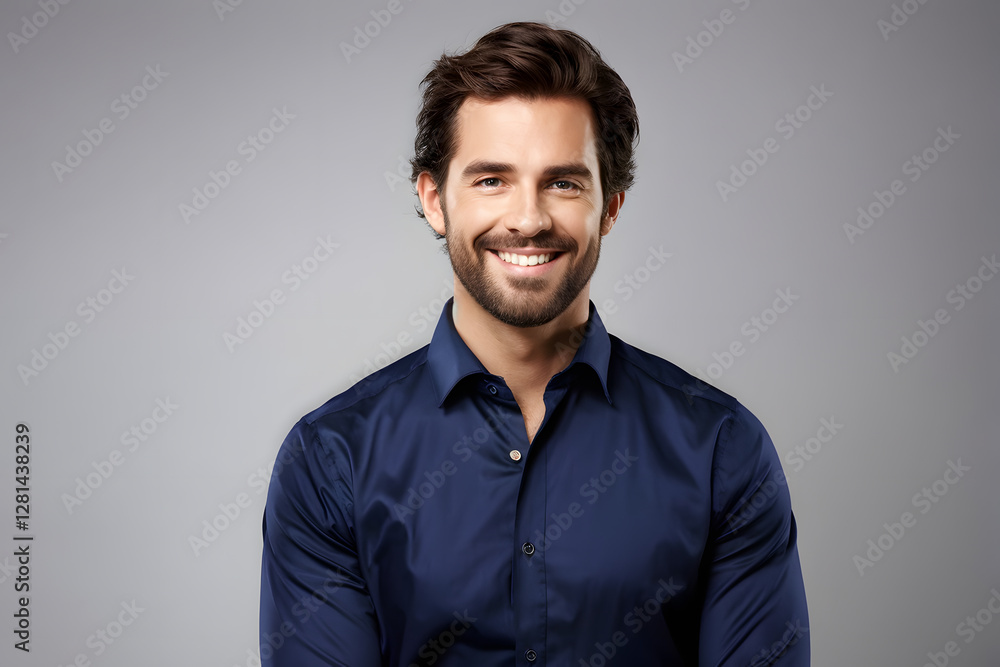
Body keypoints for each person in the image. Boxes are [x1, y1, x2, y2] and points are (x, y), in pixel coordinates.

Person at [259, 21, 809, 666]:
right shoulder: (331, 462)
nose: (528, 218)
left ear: (610, 206)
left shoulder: (721, 450)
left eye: (564, 182)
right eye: (491, 180)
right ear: (435, 200)